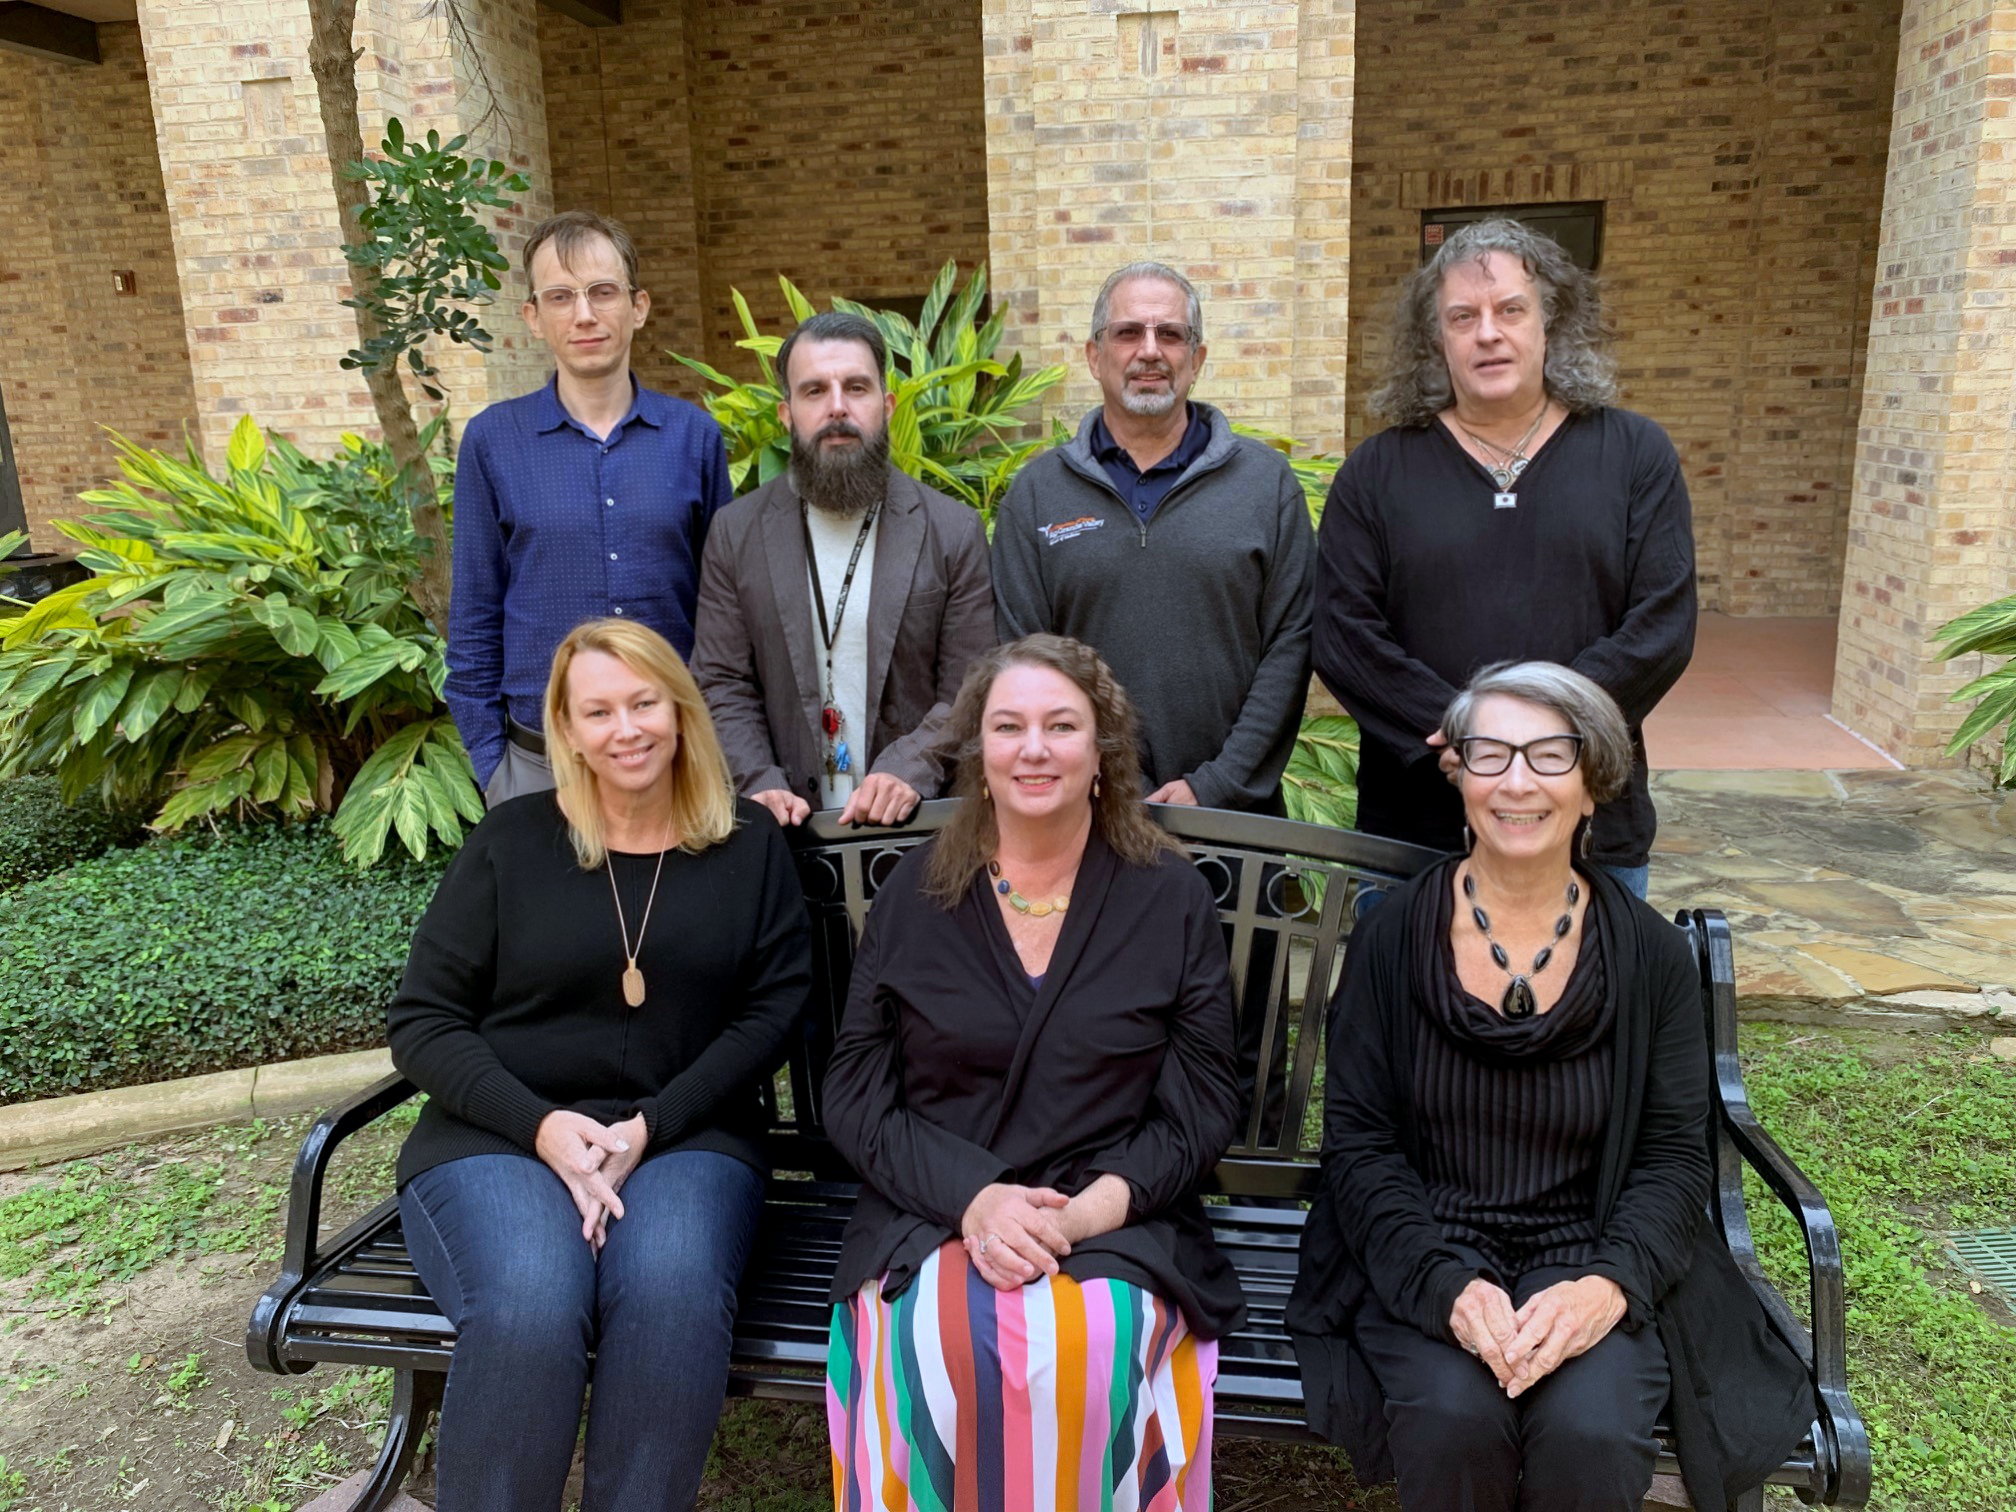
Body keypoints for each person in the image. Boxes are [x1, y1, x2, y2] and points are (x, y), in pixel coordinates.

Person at [1286, 662, 1813, 1512]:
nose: (1517, 781)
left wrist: (1609, 1286)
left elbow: (1674, 1153)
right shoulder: (1390, 942)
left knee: (1592, 1431)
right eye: (1489, 754)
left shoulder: (1649, 957)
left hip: (1591, 1249)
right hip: (1426, 1247)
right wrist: (1442, 1287)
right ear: (1456, 775)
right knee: (1453, 1417)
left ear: (1594, 783)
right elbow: (1361, 1143)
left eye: (1549, 754)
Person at [388, 618, 812, 1512]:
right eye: (599, 710)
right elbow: (424, 1021)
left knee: (672, 1296)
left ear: (681, 709)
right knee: (532, 1301)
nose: (627, 729)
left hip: (689, 1134)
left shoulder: (747, 846)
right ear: (567, 729)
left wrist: (653, 1122)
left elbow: (774, 1011)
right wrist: (541, 1127)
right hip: (499, 1135)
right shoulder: (510, 842)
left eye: (645, 702)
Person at [822, 634, 1244, 1509]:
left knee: (1085, 1356)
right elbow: (856, 1094)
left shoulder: (1169, 899)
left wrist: (1086, 1213)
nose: (1035, 748)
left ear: (1102, 752)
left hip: (1115, 1215)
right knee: (940, 1357)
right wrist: (977, 1200)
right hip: (937, 1207)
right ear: (980, 754)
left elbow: (1203, 1105)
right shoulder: (917, 895)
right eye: (1009, 727)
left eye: (1062, 725)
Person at [1314, 218, 1695, 896]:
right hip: (1416, 831)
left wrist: (1544, 739)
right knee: (1402, 1002)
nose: (1488, 332)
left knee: (1595, 1004)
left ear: (1550, 323)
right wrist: (1468, 736)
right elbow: (1344, 634)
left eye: (1510, 310)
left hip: (1591, 826)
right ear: (1437, 341)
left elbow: (1662, 623)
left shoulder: (1636, 455)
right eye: (1463, 317)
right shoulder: (1376, 472)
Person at [991, 261, 1315, 814]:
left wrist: (1217, 784)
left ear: (1197, 358)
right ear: (1095, 356)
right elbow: (1026, 662)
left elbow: (1291, 644)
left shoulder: (1266, 484)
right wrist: (1114, 788)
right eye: (1127, 333)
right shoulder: (1038, 494)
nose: (1149, 351)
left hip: (1239, 821)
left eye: (1170, 334)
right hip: (1086, 817)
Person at [446, 210, 732, 807]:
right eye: (560, 296)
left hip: (676, 754)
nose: (584, 314)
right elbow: (474, 614)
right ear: (533, 317)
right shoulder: (494, 442)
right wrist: (493, 765)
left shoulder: (693, 438)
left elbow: (723, 611)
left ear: (639, 307)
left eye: (603, 292)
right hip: (539, 764)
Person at [691, 311, 994, 828]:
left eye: (856, 387)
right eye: (814, 391)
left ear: (887, 405)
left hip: (921, 828)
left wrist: (909, 768)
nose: (837, 407)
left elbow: (975, 684)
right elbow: (721, 682)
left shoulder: (952, 530)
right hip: (789, 831)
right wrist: (757, 781)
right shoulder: (735, 532)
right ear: (787, 414)